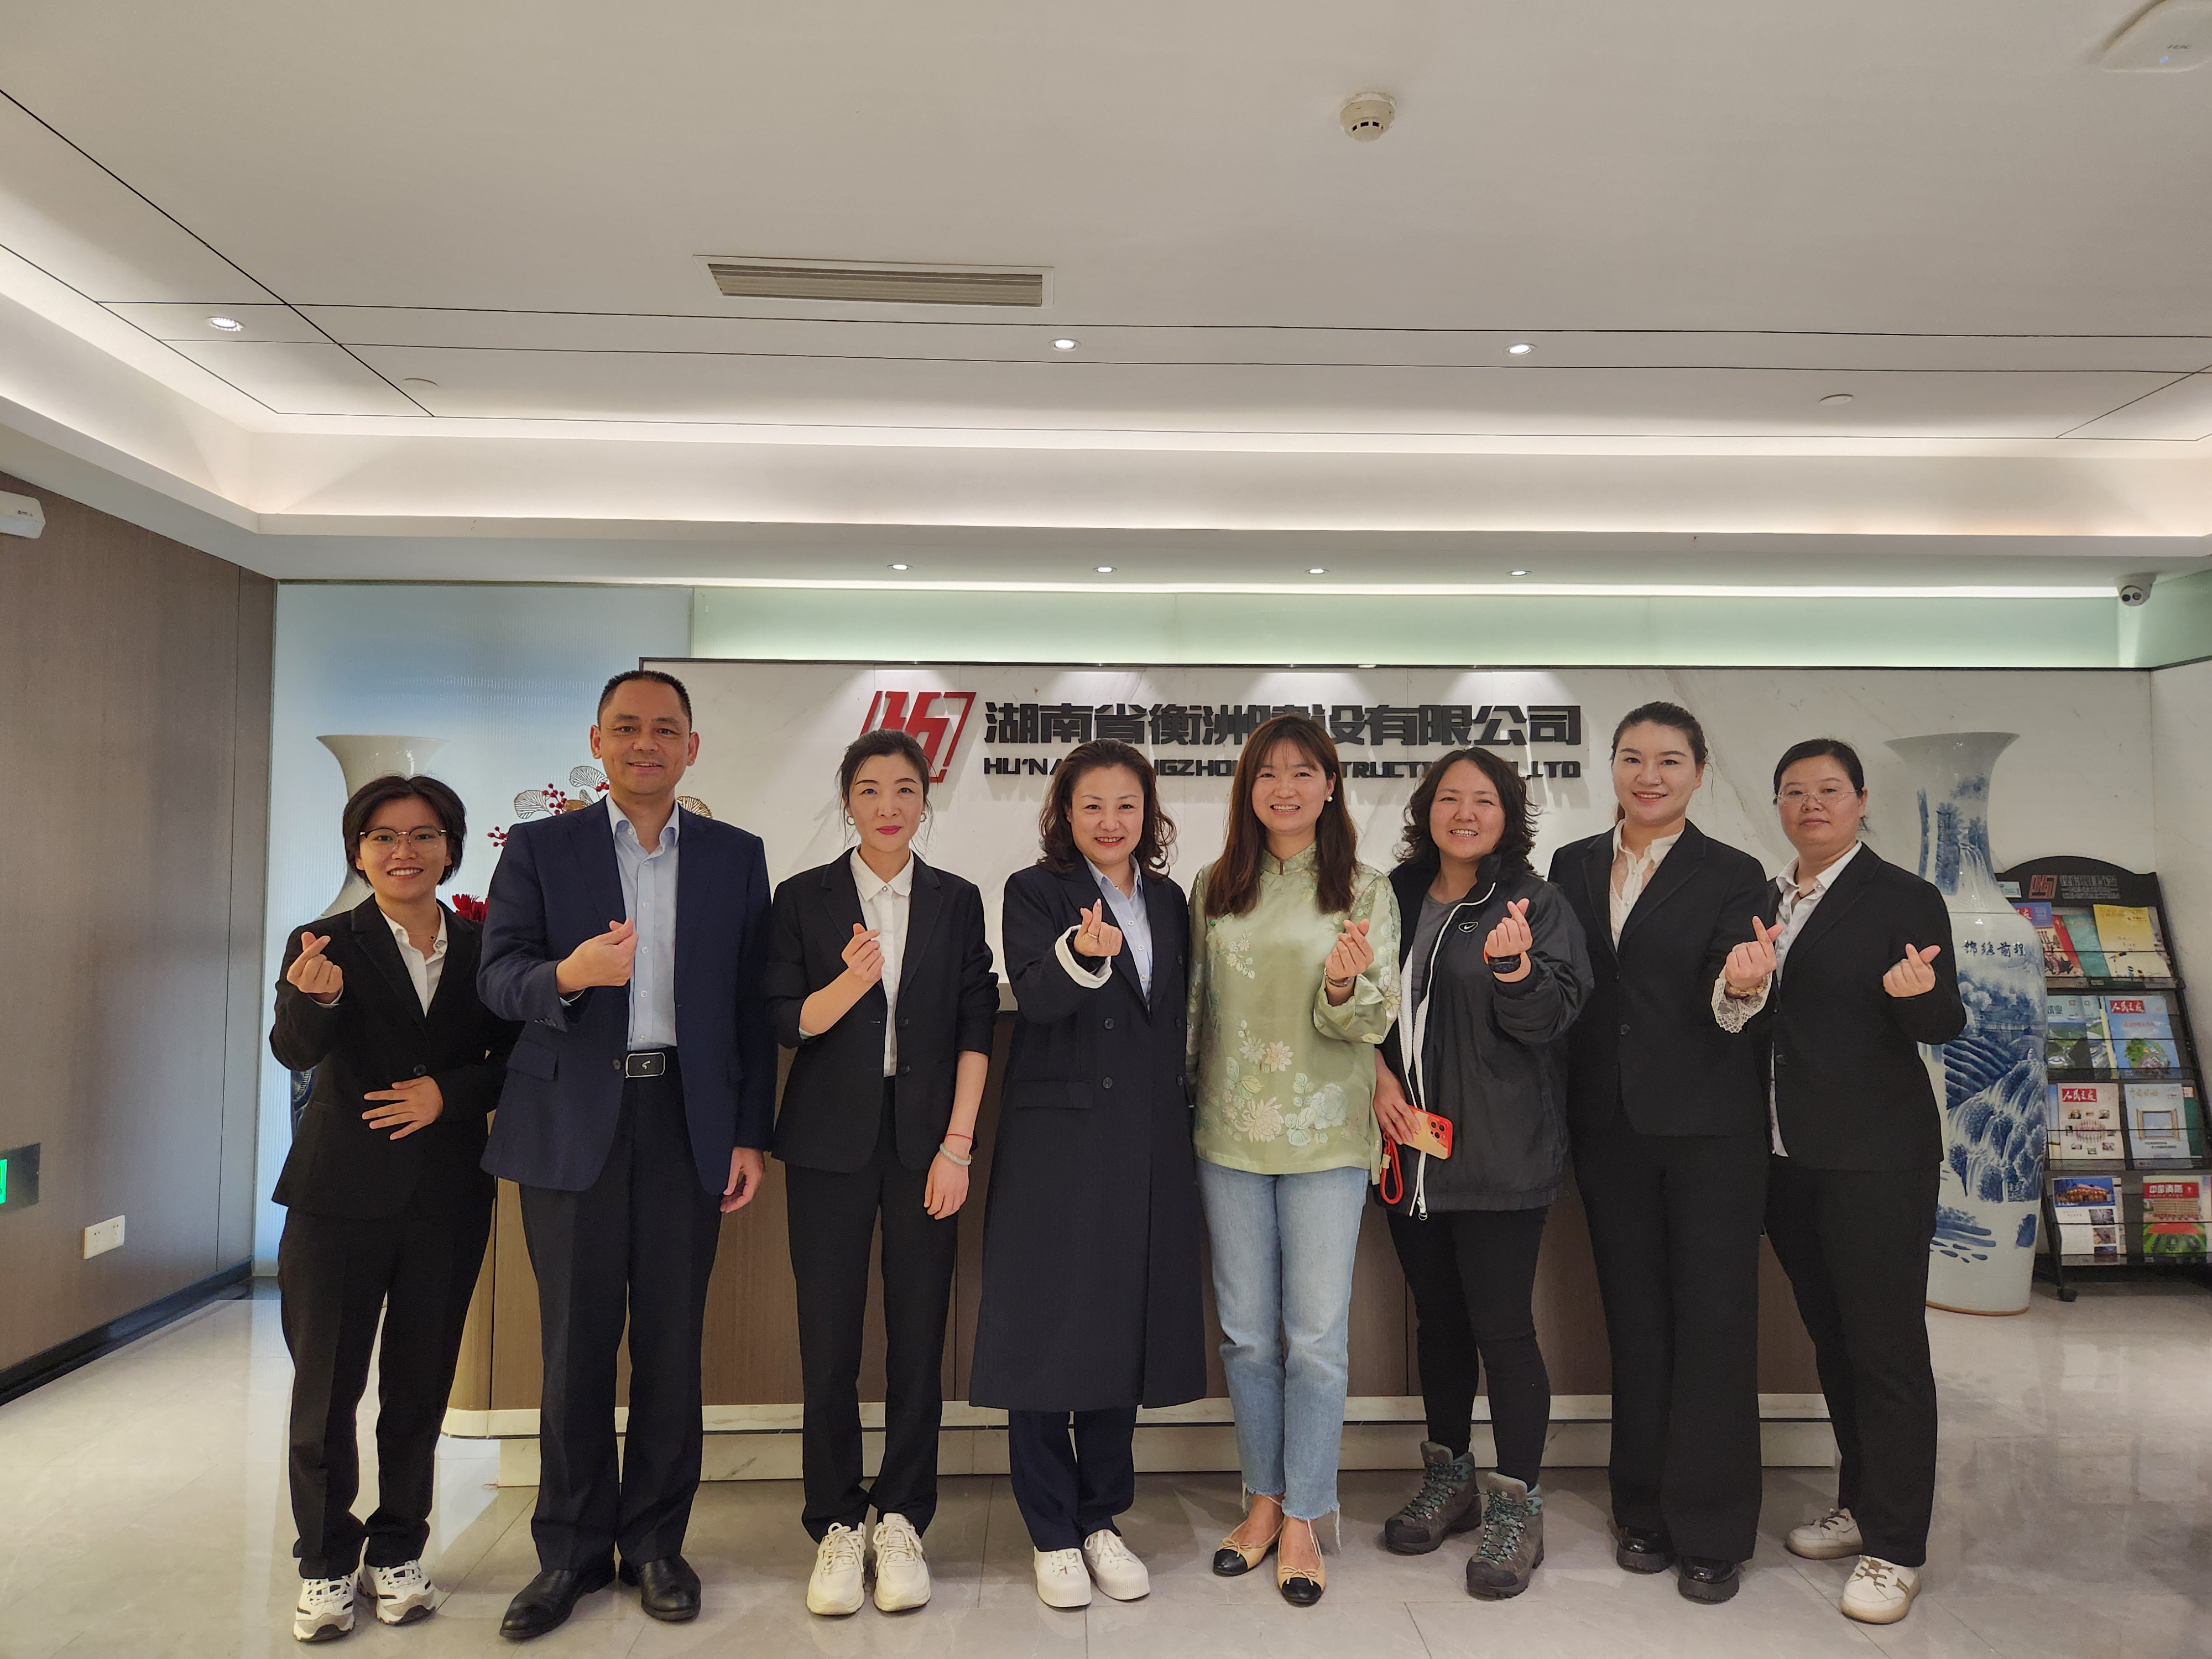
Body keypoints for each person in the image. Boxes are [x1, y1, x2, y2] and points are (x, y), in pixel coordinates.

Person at [478, 669, 776, 1640]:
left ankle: (655, 1544)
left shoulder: (736, 855)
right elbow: (498, 977)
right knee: (573, 1345)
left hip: (688, 1117)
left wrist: (747, 1132)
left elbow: (750, 1007)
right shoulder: (541, 847)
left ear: (692, 746)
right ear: (597, 742)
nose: (646, 743)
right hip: (574, 1124)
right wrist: (571, 973)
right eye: (627, 727)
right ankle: (567, 1554)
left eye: (665, 729)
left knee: (671, 1345)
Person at [271, 774, 518, 1644]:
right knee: (326, 1392)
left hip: (446, 1197)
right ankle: (325, 1561)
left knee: (420, 1387)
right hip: (336, 1199)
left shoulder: (487, 946)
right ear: (358, 850)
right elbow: (292, 1049)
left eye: (422, 835)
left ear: (451, 849)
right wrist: (318, 998)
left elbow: (517, 1058)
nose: (403, 851)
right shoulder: (325, 941)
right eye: (383, 836)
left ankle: (400, 1549)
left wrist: (448, 1096)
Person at [1729, 739, 1963, 1626]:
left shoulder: (1902, 896)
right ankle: (1861, 1503)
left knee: (1887, 1352)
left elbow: (1943, 1020)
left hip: (1876, 1161)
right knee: (1833, 1343)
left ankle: (1897, 1547)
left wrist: (1916, 993)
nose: (1812, 804)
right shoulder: (1765, 900)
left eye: (1830, 789)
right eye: (1795, 791)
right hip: (1786, 1159)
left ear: (1862, 800)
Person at [764, 728, 998, 1618]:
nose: (888, 806)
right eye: (870, 789)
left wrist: (958, 1146)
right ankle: (834, 1520)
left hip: (926, 1146)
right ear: (848, 801)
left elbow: (976, 1023)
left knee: (917, 1337)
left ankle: (902, 1516)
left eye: (905, 789)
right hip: (827, 1146)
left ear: (925, 801)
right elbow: (785, 1020)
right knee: (827, 1340)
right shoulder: (803, 898)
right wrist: (848, 986)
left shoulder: (955, 899)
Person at [971, 740, 1208, 1610]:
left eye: (1126, 805)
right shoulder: (1035, 891)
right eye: (1092, 806)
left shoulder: (1171, 901)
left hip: (1147, 1139)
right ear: (1064, 815)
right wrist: (1083, 951)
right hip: (1058, 1141)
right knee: (1044, 1328)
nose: (1111, 822)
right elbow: (1037, 996)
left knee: (1120, 1324)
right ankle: (1051, 1530)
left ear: (1149, 814)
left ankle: (1102, 1517)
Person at [1546, 701, 1770, 1605]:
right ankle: (1641, 1508)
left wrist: (1741, 985)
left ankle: (1713, 1529)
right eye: (1634, 758)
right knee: (1635, 1324)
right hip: (1609, 1130)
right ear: (1612, 767)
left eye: (1670, 760)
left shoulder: (1735, 873)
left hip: (1711, 1131)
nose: (1650, 776)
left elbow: (1733, 988)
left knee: (1714, 1326)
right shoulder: (1571, 864)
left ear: (1699, 773)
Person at [1188, 712, 1401, 1608]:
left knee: (1314, 1339)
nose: (1285, 788)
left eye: (1303, 772)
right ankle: (1263, 1500)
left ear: (1330, 785)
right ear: (1249, 789)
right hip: (1227, 1134)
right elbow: (1193, 1011)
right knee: (1246, 1334)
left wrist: (1345, 983)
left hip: (1326, 1136)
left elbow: (1376, 1018)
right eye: (1269, 774)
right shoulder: (1215, 885)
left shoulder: (1366, 890)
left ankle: (1308, 1512)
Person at [1373, 748, 1591, 1600]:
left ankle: (1516, 1506)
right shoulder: (1392, 896)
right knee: (1438, 1325)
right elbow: (1365, 1006)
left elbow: (1554, 1018)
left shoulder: (1533, 901)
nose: (1465, 813)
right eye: (1450, 798)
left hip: (1502, 1154)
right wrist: (1377, 1077)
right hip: (1410, 1153)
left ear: (1509, 816)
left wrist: (1516, 970)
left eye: (1485, 801)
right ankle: (1450, 1479)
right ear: (1426, 809)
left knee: (1502, 1330)